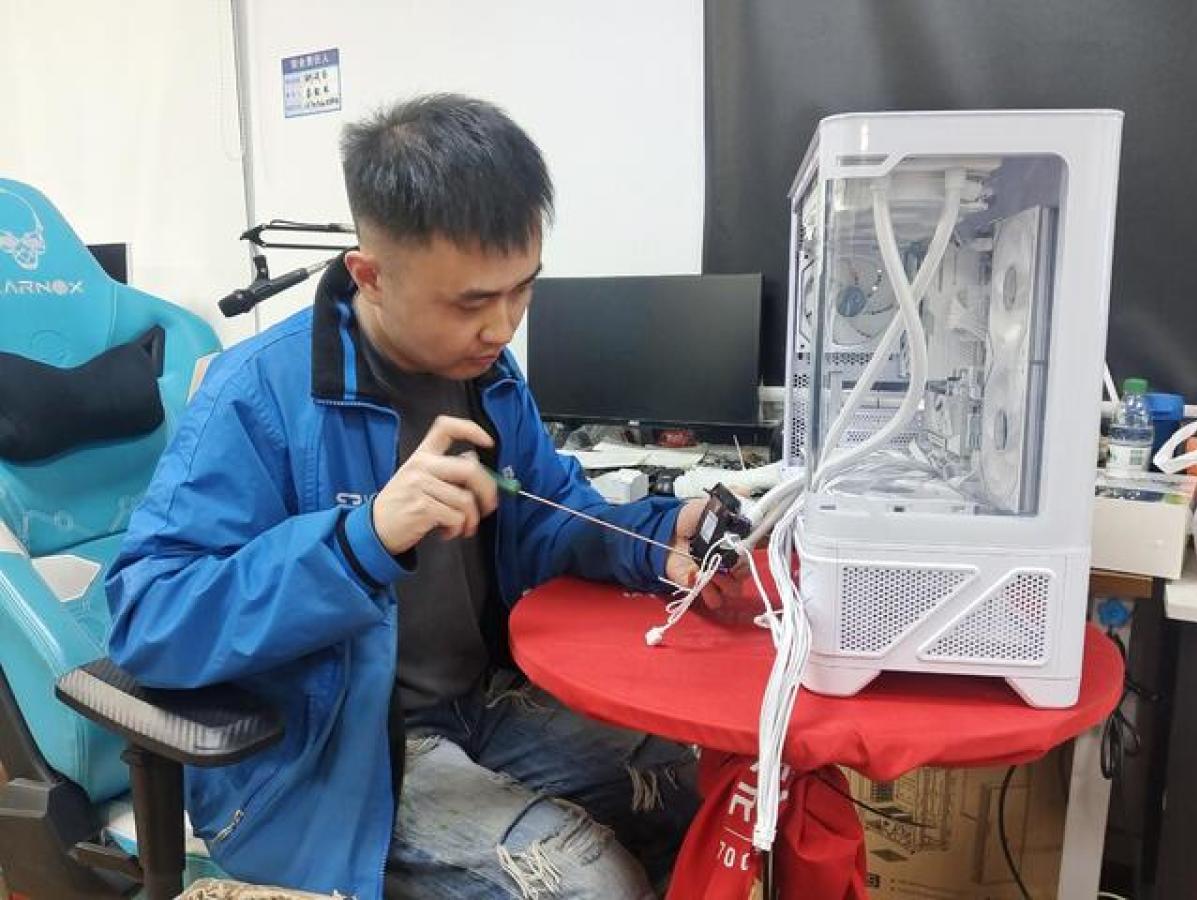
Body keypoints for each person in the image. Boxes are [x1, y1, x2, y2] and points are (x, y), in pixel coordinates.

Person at [106, 94, 737, 900]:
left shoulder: (487, 375)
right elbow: (149, 618)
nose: (503, 327)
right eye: (471, 302)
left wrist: (660, 533)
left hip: (480, 705)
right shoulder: (257, 395)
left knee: (697, 788)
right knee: (591, 886)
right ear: (370, 276)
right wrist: (360, 540)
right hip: (332, 758)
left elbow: (547, 517)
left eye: (522, 290)